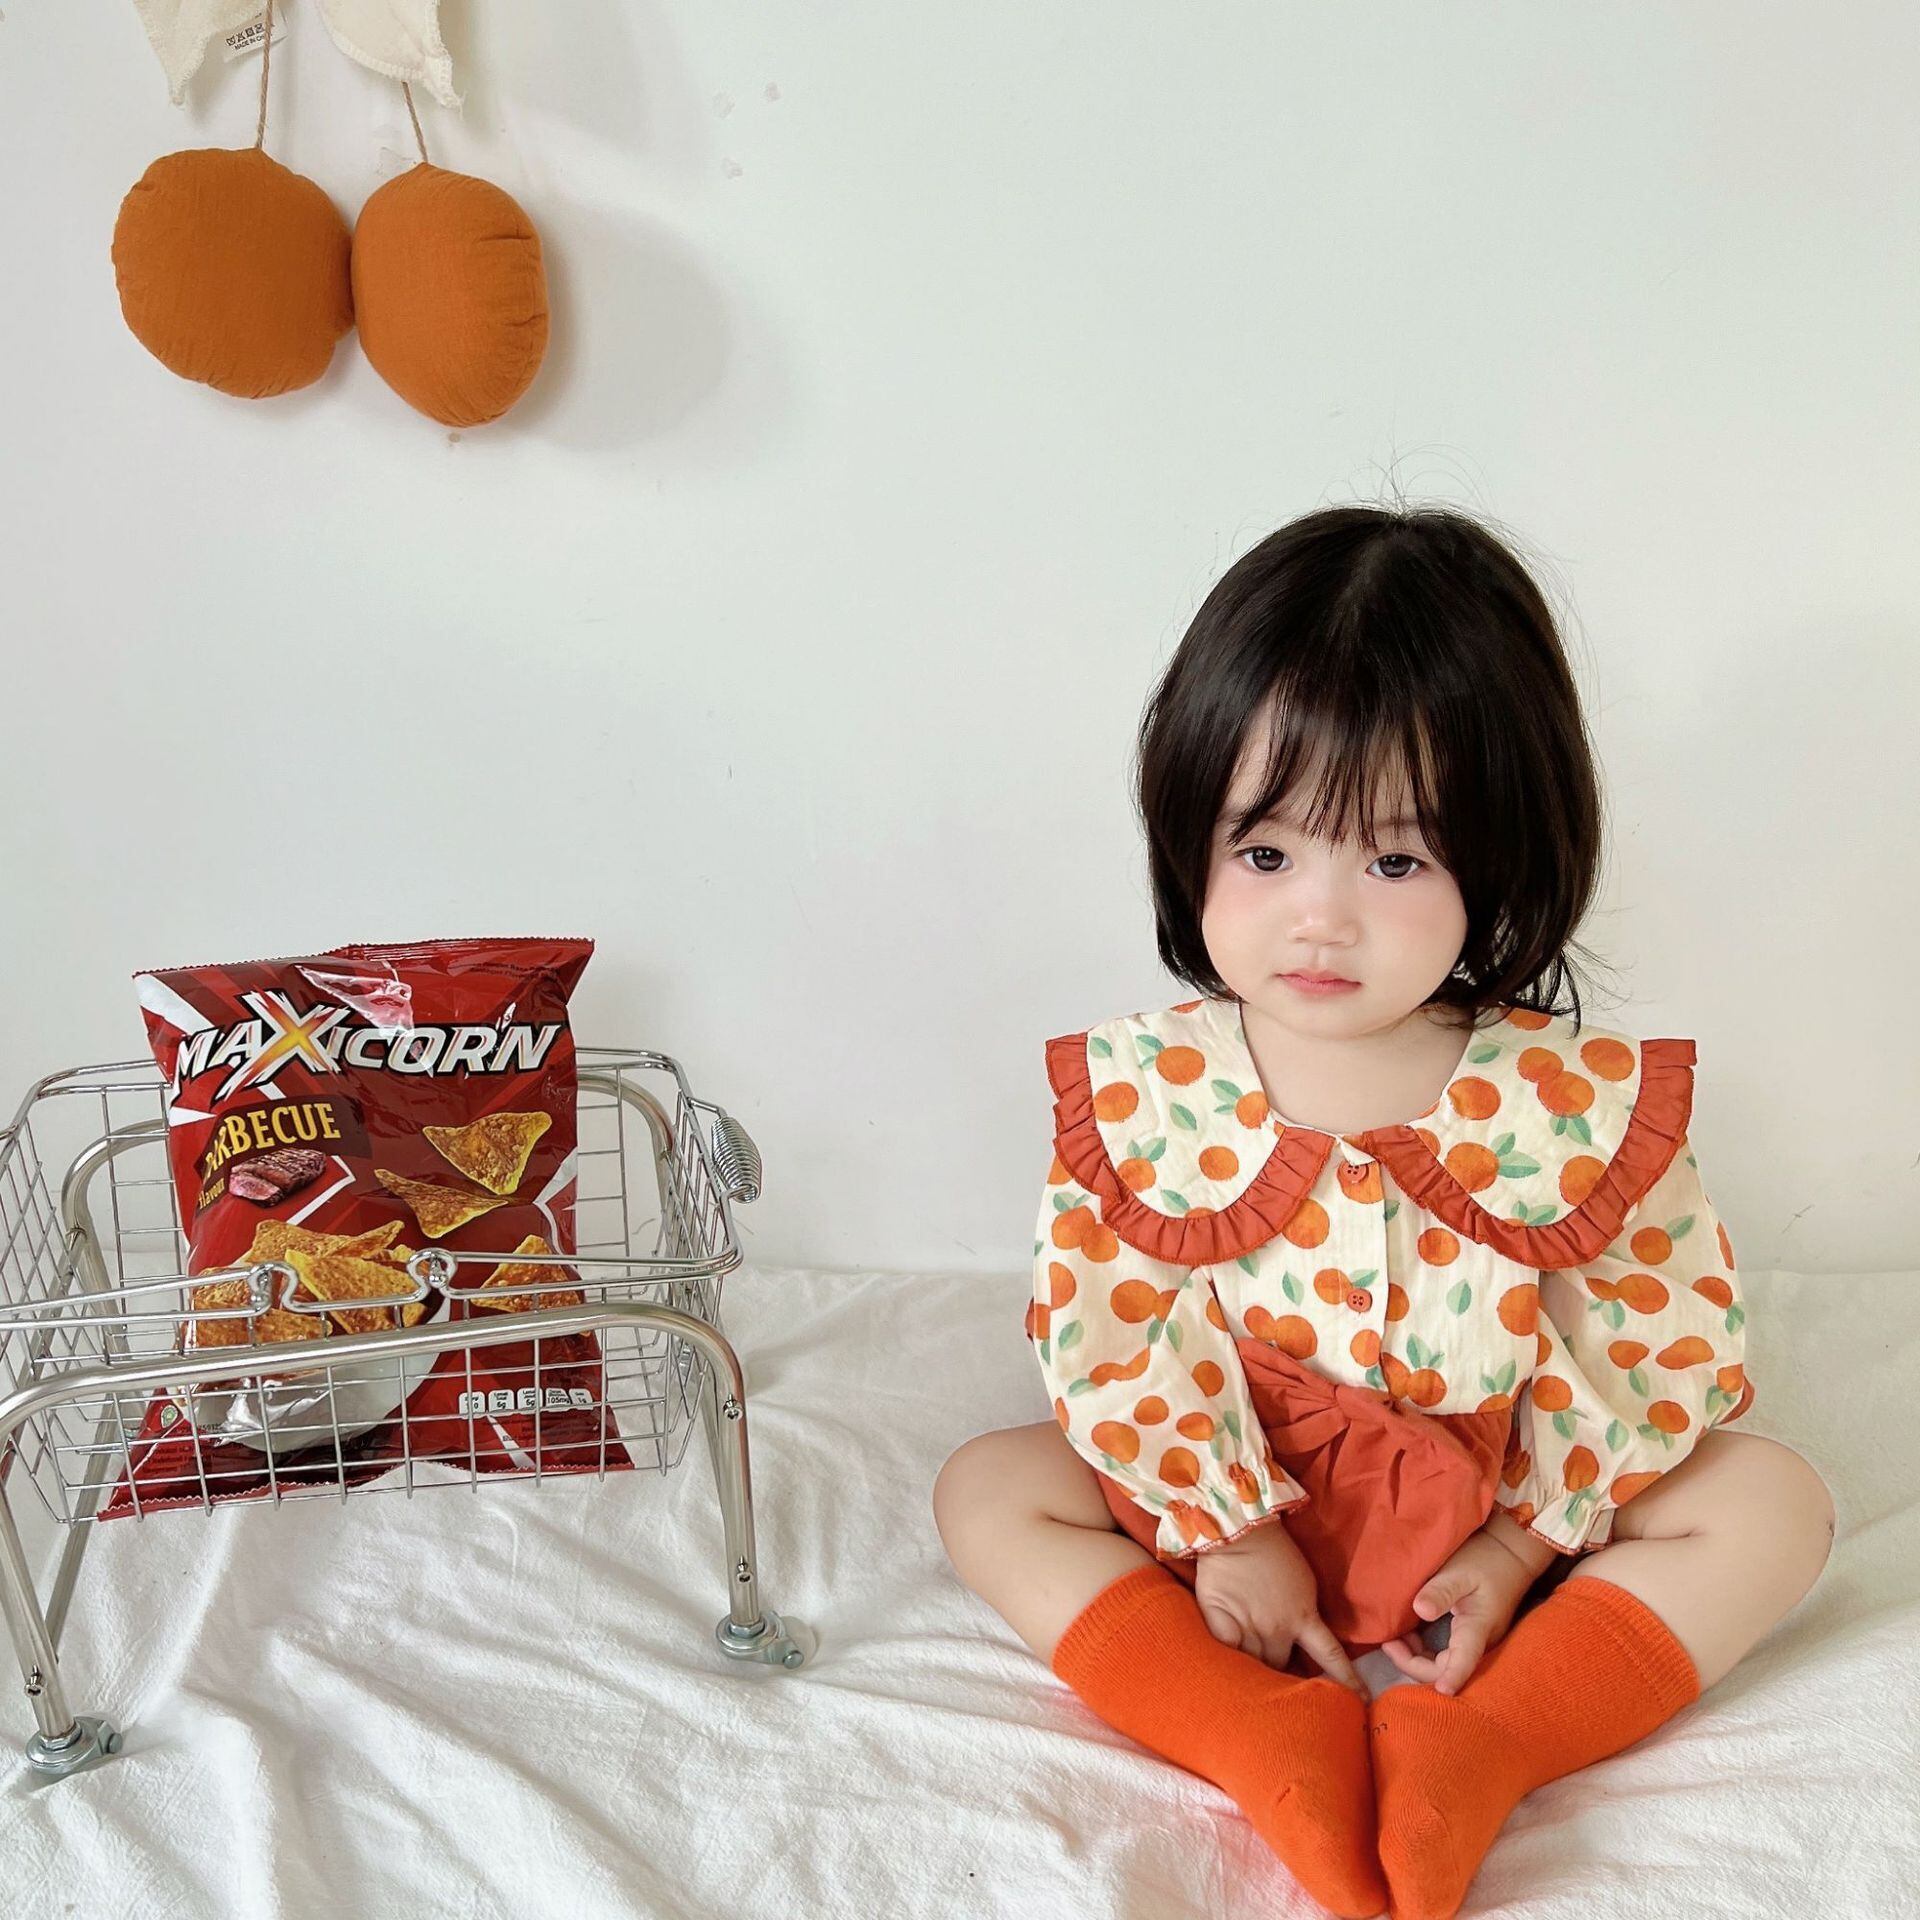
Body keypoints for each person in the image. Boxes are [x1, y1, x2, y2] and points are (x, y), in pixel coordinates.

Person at [932, 504, 1834, 1920]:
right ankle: (1246, 1726)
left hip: (1496, 1500)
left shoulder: (1568, 1104)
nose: (1322, 919)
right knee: (989, 1488)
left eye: (1396, 862)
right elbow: (1113, 1328)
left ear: (1501, 858)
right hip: (1237, 1494)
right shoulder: (1147, 1094)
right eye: (1267, 854)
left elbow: (1645, 1323)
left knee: (1775, 1503)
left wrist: (1523, 1544)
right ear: (1189, 835)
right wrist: (1228, 1533)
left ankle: (1489, 1739)